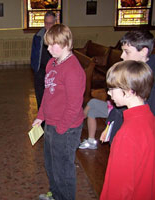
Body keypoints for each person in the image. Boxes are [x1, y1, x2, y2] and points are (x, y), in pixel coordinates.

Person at [32, 24, 86, 200]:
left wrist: (61, 129)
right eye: (47, 45)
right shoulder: (52, 63)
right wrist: (41, 117)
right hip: (51, 123)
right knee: (51, 165)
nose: (48, 49)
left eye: (52, 45)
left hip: (67, 127)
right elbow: (48, 93)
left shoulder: (73, 70)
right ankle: (55, 195)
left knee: (63, 168)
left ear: (66, 43)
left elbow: (74, 105)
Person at [79, 30, 155, 148]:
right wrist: (109, 126)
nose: (122, 56)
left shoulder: (149, 77)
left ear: (143, 51)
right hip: (121, 128)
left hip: (137, 137)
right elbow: (116, 109)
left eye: (127, 51)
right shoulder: (128, 71)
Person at [100, 60, 155, 200]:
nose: (109, 93)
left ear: (129, 91)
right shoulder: (149, 118)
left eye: (112, 89)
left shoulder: (127, 133)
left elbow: (119, 187)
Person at [30, 11, 56, 110]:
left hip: (53, 71)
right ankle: (42, 119)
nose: (48, 26)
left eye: (50, 23)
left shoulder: (59, 36)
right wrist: (35, 68)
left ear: (55, 22)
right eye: (46, 23)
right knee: (40, 95)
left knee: (52, 96)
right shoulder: (38, 36)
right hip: (40, 70)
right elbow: (33, 53)